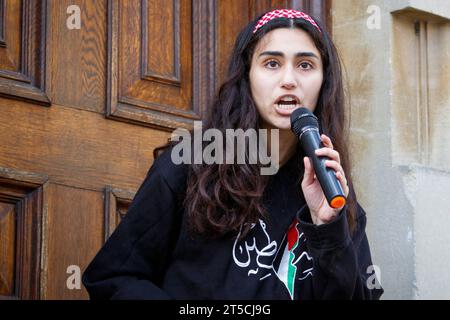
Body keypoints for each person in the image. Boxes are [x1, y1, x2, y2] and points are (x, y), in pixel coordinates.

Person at [82, 9, 383, 300]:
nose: (289, 80)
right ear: (247, 76)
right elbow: (113, 278)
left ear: (324, 82)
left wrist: (329, 229)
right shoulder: (188, 165)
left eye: (305, 65)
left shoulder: (334, 191)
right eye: (271, 64)